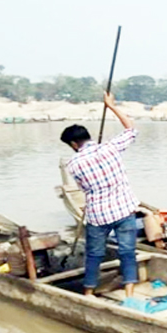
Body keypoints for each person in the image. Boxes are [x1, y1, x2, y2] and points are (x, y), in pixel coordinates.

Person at [60, 92, 139, 299]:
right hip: (124, 210)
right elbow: (131, 128)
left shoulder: (73, 164)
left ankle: (88, 292)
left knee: (94, 254)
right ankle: (129, 292)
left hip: (98, 215)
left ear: (74, 144)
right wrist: (111, 106)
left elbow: (84, 188)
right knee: (127, 252)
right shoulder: (111, 148)